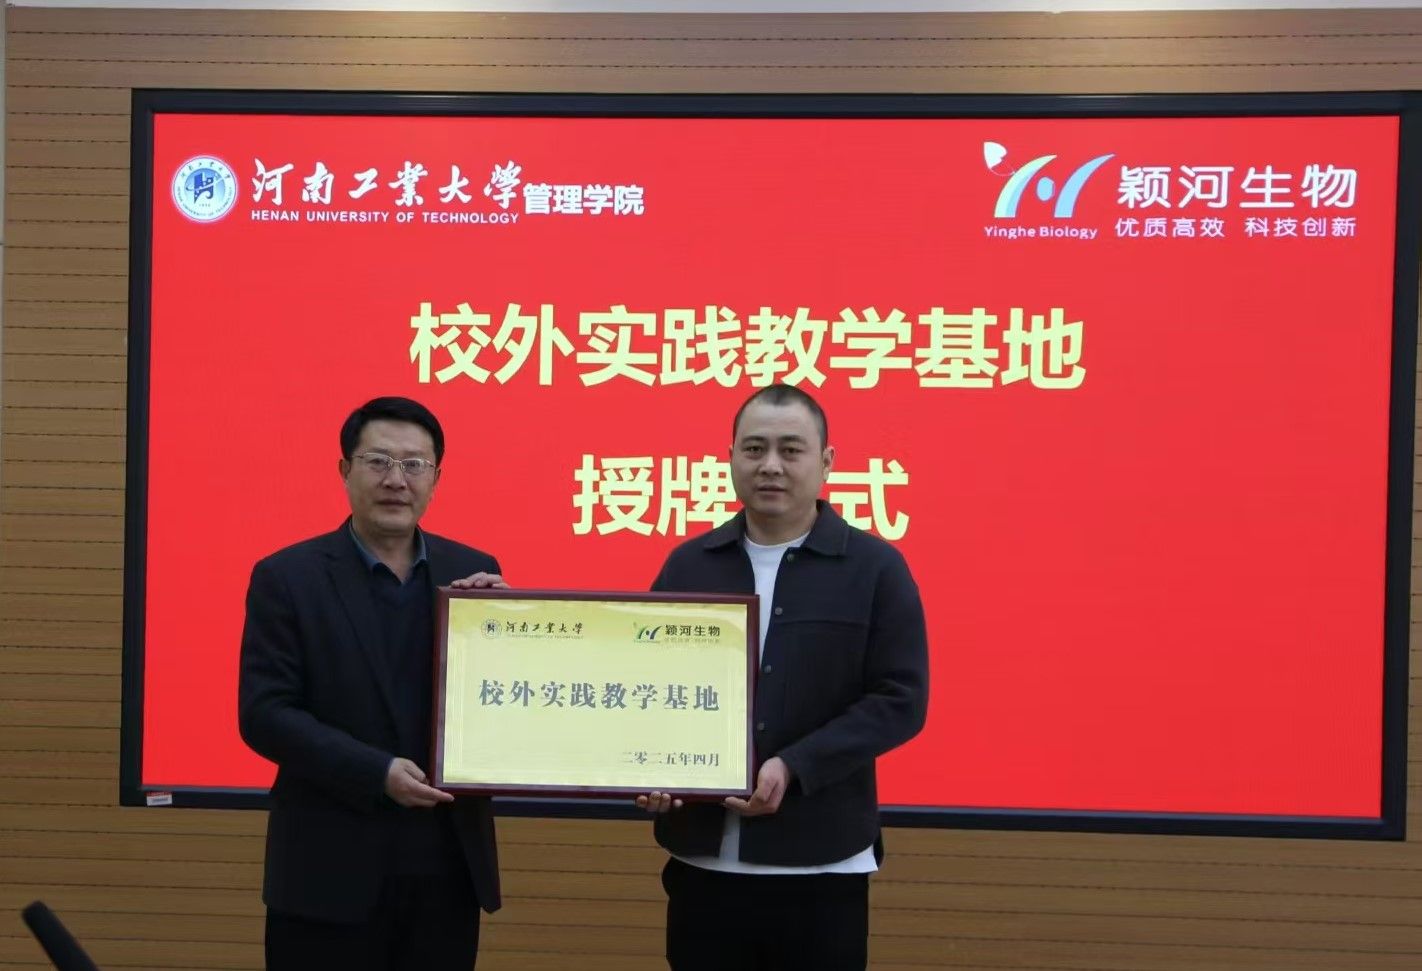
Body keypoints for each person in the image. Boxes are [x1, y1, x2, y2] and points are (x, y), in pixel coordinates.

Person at [638, 384, 930, 970]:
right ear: (730, 458)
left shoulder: (875, 568)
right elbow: (646, 686)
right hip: (703, 863)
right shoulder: (690, 565)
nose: (770, 465)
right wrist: (647, 768)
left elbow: (900, 699)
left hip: (822, 865)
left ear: (827, 461)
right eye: (754, 449)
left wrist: (795, 765)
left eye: (791, 450)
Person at [238, 396, 505, 971]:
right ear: (344, 470)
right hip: (325, 875)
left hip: (445, 872)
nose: (396, 480)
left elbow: (502, 707)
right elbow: (265, 714)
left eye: (414, 465)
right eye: (378, 461)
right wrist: (376, 772)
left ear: (436, 478)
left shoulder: (474, 576)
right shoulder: (288, 577)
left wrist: (511, 631)